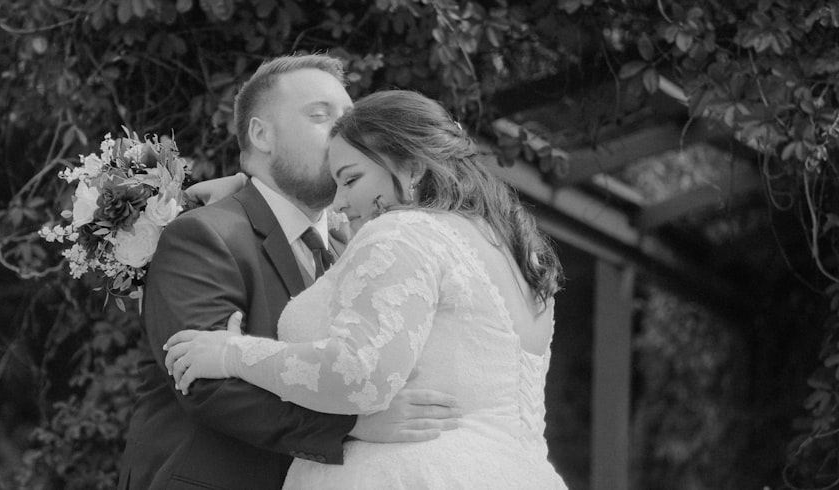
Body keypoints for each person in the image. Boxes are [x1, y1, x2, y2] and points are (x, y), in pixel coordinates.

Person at [164, 90, 569, 489]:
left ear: (412, 167)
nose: (339, 202)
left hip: (408, 473)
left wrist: (232, 353)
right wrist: (243, 196)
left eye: (351, 178)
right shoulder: (520, 255)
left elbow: (358, 373)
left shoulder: (402, 232)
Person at [118, 56, 462, 490]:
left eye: (349, 120)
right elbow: (203, 383)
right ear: (261, 134)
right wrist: (352, 424)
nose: (343, 133)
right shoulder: (204, 233)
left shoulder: (354, 248)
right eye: (321, 116)